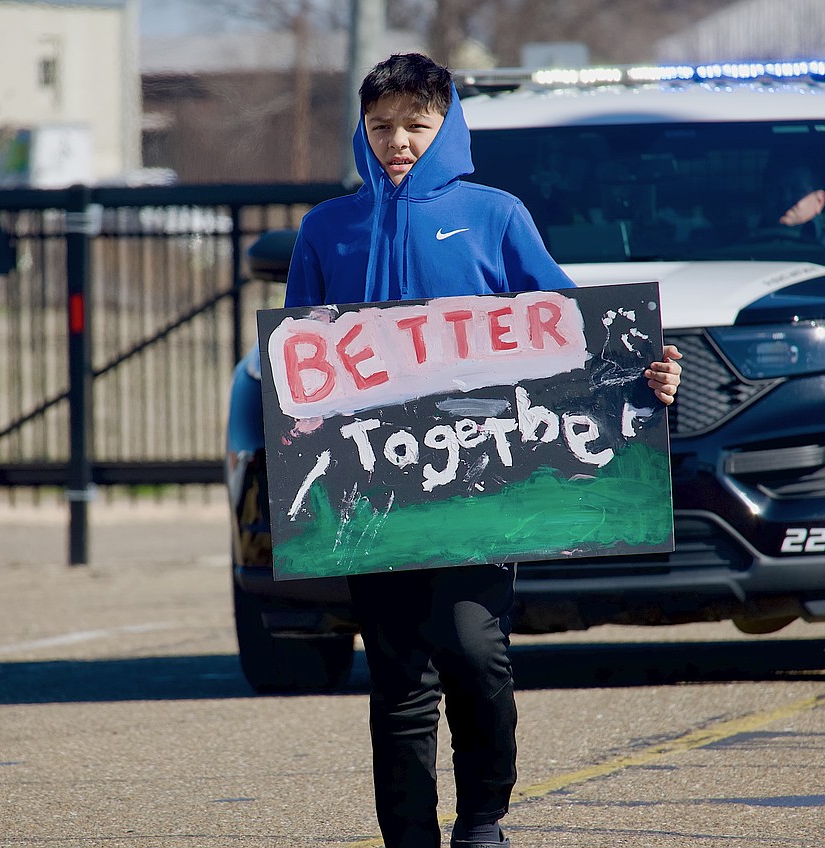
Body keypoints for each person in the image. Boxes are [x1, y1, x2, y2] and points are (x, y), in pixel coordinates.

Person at [283, 53, 682, 848]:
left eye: (415, 127)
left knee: (473, 652)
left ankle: (482, 820)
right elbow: (301, 361)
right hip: (375, 492)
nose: (398, 141)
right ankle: (408, 839)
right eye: (382, 126)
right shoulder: (327, 227)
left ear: (447, 127)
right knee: (397, 678)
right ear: (363, 131)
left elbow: (572, 333)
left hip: (480, 483)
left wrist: (649, 372)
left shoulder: (495, 215)